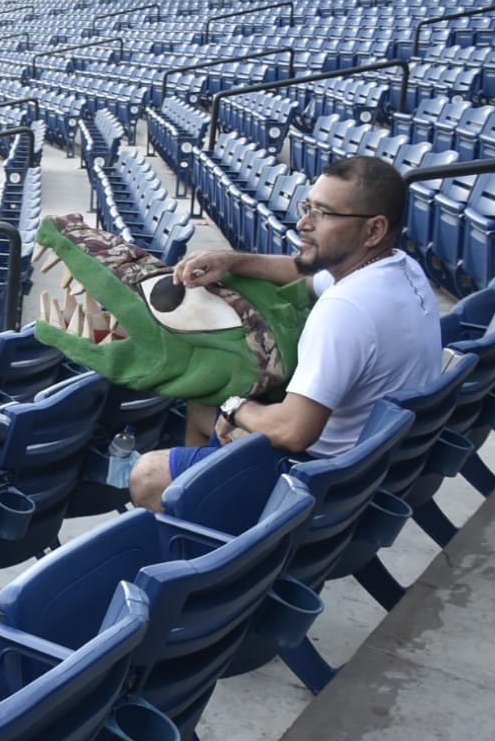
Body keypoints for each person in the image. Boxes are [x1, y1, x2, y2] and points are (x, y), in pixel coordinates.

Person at [129, 154, 443, 511]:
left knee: (148, 473)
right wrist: (231, 260)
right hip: (374, 465)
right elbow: (303, 274)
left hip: (317, 480)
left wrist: (235, 407)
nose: (303, 223)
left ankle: (205, 540)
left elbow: (294, 432)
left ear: (373, 230)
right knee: (201, 403)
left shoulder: (346, 310)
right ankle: (202, 503)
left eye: (322, 214)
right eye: (306, 207)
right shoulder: (400, 268)